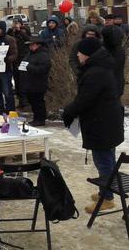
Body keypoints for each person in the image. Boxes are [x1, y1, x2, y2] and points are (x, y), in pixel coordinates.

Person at [62, 38, 124, 214]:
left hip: (101, 125)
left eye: (80, 53)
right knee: (108, 158)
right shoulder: (100, 67)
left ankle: (107, 198)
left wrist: (68, 112)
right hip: (107, 122)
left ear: (87, 54)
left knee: (103, 162)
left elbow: (84, 100)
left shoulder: (95, 72)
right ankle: (107, 191)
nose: (78, 56)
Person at [0, 21, 18, 114]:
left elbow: (15, 54)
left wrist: (7, 59)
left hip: (5, 69)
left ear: (3, 29)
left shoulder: (9, 39)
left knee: (7, 90)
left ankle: (10, 108)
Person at [21, 37, 51, 126]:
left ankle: (40, 119)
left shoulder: (43, 55)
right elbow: (25, 63)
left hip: (38, 83)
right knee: (32, 101)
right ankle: (36, 118)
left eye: (32, 45)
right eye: (29, 45)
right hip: (29, 83)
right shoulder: (30, 54)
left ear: (38, 45)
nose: (30, 47)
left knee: (38, 102)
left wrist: (29, 67)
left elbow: (43, 69)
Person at [7, 18, 31, 108]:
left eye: (17, 23)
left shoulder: (25, 31)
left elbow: (28, 39)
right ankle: (20, 99)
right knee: (16, 79)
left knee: (23, 80)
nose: (15, 24)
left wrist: (20, 31)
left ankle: (25, 100)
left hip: (23, 57)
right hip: (15, 59)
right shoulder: (11, 32)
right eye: (14, 23)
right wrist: (10, 30)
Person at [101, 25, 126, 98]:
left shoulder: (117, 51)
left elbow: (111, 67)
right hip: (116, 85)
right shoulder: (118, 49)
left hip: (111, 86)